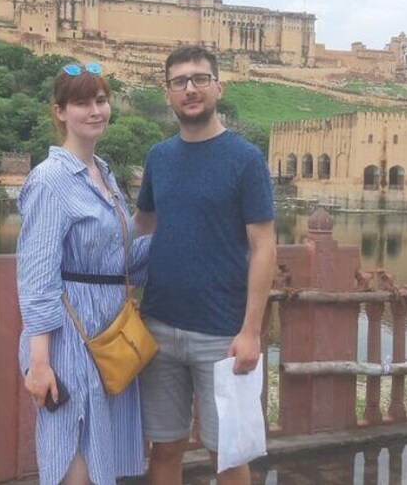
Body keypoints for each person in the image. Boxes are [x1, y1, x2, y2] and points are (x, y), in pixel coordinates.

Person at [134, 46, 277, 485]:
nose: (190, 89)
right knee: (165, 448)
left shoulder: (245, 158)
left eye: (199, 79)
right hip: (157, 326)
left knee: (228, 453)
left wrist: (251, 331)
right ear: (168, 94)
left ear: (218, 86)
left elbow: (264, 247)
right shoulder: (160, 157)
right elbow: (142, 226)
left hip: (222, 335)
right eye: (180, 81)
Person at [17, 62, 149, 485]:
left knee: (99, 458)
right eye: (82, 103)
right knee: (72, 461)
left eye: (101, 100)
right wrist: (39, 363)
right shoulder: (51, 179)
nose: (95, 111)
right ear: (60, 112)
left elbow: (121, 259)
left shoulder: (104, 174)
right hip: (67, 338)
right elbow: (37, 277)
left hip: (107, 331)